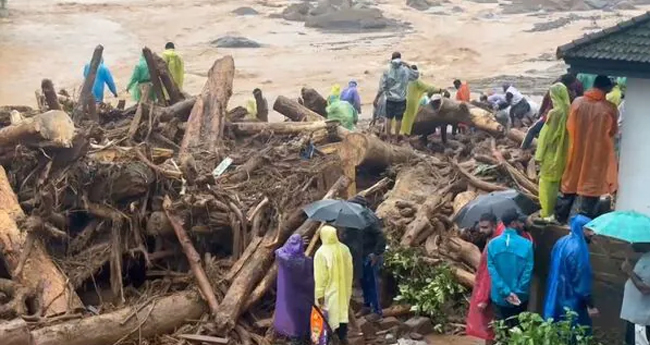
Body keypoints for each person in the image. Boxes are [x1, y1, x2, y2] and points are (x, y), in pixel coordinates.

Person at [559, 75, 618, 221]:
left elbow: (569, 125)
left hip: (576, 149)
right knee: (591, 188)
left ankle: (561, 217)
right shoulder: (609, 108)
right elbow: (612, 131)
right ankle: (585, 222)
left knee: (571, 184)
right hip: (596, 154)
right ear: (607, 89)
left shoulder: (577, 103)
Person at [543, 215, 597, 330]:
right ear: (580, 229)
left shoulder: (562, 241)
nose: (592, 233)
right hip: (571, 299)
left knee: (555, 327)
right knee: (573, 331)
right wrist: (590, 304)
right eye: (589, 230)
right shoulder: (580, 250)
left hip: (555, 293)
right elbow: (582, 280)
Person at [486, 209, 534, 329]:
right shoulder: (527, 245)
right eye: (518, 221)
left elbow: (492, 271)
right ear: (513, 223)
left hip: (499, 297)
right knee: (518, 331)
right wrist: (517, 292)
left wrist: (505, 292)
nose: (520, 224)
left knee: (501, 331)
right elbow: (528, 272)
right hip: (520, 298)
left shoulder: (492, 244)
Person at [534, 83, 571, 221]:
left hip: (551, 154)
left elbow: (545, 136)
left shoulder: (554, 113)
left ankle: (546, 213)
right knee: (556, 185)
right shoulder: (570, 111)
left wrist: (539, 156)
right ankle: (554, 211)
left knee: (545, 185)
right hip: (563, 154)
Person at [346, 195, 387, 320]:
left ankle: (377, 311)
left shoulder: (369, 218)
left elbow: (381, 236)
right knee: (363, 281)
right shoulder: (355, 218)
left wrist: (376, 253)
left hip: (370, 255)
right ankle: (367, 306)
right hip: (360, 255)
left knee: (372, 283)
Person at [314, 225, 354, 344]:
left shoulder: (321, 253)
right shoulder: (345, 249)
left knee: (329, 316)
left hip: (329, 291)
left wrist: (319, 294)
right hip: (344, 289)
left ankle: (329, 339)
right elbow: (350, 269)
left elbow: (320, 277)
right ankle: (342, 338)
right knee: (342, 313)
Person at [522, 74, 582, 150]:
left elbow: (546, 99)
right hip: (567, 117)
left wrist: (540, 112)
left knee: (532, 130)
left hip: (550, 115)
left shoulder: (556, 87)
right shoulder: (576, 87)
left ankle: (523, 149)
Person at [274, 234, 314, 345]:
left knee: (292, 316)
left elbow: (278, 251)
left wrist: (287, 245)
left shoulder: (285, 259)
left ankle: (296, 339)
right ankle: (305, 336)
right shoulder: (307, 261)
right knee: (304, 315)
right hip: (305, 293)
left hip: (291, 294)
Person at [466, 213, 499, 344]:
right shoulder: (490, 238)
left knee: (491, 324)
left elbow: (490, 273)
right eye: (480, 227)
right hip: (491, 289)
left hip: (494, 291)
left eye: (485, 227)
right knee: (489, 326)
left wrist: (484, 297)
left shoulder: (496, 243)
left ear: (495, 226)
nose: (481, 230)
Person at [374, 52, 419, 140]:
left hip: (390, 98)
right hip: (401, 99)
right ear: (400, 59)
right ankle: (396, 138)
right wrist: (408, 65)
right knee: (399, 119)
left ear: (391, 59)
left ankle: (388, 137)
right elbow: (416, 76)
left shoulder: (387, 69)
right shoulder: (405, 70)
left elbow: (382, 86)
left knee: (388, 118)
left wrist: (376, 98)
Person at [621, 244, 650, 345]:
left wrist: (629, 271)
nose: (633, 243)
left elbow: (646, 289)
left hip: (642, 319)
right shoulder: (646, 256)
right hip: (635, 315)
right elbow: (639, 279)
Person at [400, 65, 441, 136]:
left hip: (401, 101)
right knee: (409, 119)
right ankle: (405, 134)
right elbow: (429, 87)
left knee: (402, 117)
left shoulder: (403, 79)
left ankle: (399, 133)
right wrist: (439, 90)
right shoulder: (417, 82)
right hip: (412, 104)